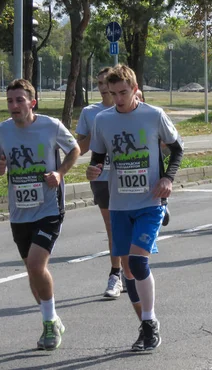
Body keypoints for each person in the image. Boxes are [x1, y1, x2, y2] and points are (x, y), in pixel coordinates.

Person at [87, 64, 184, 352]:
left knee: (139, 262)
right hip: (120, 203)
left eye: (123, 92)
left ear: (135, 89)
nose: (118, 98)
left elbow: (177, 149)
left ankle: (150, 322)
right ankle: (144, 324)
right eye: (112, 93)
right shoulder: (103, 120)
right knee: (127, 269)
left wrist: (168, 178)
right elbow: (99, 156)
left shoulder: (153, 115)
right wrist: (94, 169)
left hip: (150, 200)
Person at [0, 79, 80, 350]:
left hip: (49, 207)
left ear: (32, 102)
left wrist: (59, 173)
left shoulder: (50, 126)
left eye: (19, 100)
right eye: (10, 101)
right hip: (19, 212)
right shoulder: (2, 131)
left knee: (36, 266)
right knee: (32, 273)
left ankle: (50, 325)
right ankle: (51, 317)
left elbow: (74, 149)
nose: (14, 106)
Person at [76, 67, 123, 299]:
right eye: (100, 83)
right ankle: (116, 274)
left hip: (130, 176)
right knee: (113, 226)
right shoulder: (90, 112)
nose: (103, 87)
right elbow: (81, 148)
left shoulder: (127, 108)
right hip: (103, 178)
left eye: (107, 82)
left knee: (131, 225)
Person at [135, 88, 171, 226]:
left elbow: (169, 142)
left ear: (142, 100)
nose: (135, 100)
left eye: (138, 98)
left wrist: (160, 143)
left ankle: (162, 205)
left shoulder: (151, 117)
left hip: (153, 164)